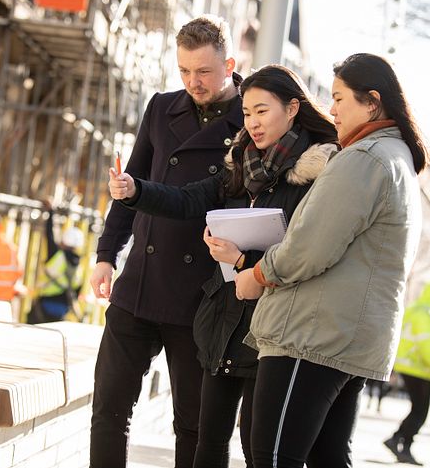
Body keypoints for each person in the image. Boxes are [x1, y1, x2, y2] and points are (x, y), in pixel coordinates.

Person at [109, 64, 338, 467]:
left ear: (293, 108)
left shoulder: (319, 175)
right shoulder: (239, 163)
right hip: (224, 318)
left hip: (276, 326)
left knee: (258, 449)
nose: (252, 123)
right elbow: (186, 200)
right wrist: (135, 191)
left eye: (262, 112)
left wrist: (240, 258)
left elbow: (308, 255)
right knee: (207, 443)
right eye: (247, 113)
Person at [233, 53, 430, 468]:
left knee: (270, 457)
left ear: (372, 102)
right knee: (328, 458)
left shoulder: (364, 159)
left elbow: (311, 246)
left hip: (313, 336)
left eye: (340, 99)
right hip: (345, 338)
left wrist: (258, 273)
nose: (332, 109)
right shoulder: (396, 161)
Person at [88, 15, 244, 468]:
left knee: (193, 426)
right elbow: (129, 185)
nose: (192, 82)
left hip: (199, 297)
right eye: (184, 71)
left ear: (229, 64)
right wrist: (106, 255)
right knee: (108, 410)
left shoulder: (249, 121)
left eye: (204, 72)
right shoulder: (161, 108)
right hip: (139, 285)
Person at [384, 279, 430, 465]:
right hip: (420, 369)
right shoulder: (427, 315)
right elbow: (428, 347)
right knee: (421, 411)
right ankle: (402, 444)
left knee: (416, 409)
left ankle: (397, 439)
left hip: (406, 366)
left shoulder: (413, 309)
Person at [28, 207, 84, 323]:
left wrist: (50, 211)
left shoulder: (56, 255)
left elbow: (49, 235)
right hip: (63, 308)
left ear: (63, 241)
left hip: (45, 305)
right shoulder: (79, 264)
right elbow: (78, 288)